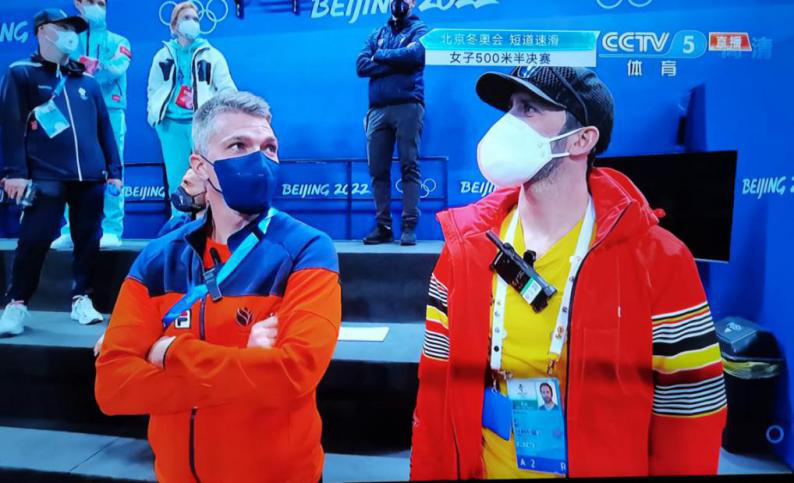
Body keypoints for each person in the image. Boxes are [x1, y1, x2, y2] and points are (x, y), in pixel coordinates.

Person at [410, 66, 727, 479]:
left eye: (529, 109)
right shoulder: (463, 249)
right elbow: (435, 392)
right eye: (510, 108)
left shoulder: (659, 260)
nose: (508, 124)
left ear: (582, 139)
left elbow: (690, 406)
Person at [95, 91, 341, 482]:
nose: (259, 159)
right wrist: (243, 362)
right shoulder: (159, 258)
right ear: (200, 166)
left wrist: (169, 350)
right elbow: (114, 387)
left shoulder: (307, 249)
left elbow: (293, 373)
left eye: (269, 147)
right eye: (238, 145)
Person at [0, 8, 122, 335]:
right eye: (63, 27)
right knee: (34, 239)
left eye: (73, 29)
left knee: (88, 240)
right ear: (43, 31)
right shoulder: (21, 73)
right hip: (45, 175)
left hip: (90, 178)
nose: (70, 34)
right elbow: (11, 125)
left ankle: (82, 298)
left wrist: (114, 169)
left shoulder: (88, 81)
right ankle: (16, 304)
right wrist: (14, 172)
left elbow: (104, 128)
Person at [93, 167, 207, 356]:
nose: (181, 192)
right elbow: (144, 284)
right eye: (182, 184)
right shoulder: (174, 228)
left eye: (188, 186)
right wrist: (115, 331)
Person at [51, 0, 132, 250]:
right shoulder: (70, 41)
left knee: (112, 167)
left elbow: (116, 70)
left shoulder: (119, 41)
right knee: (73, 166)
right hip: (76, 110)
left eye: (101, 3)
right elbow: (60, 71)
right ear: (78, 4)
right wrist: (82, 67)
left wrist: (92, 67)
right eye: (91, 2)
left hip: (111, 110)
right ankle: (70, 228)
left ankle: (111, 228)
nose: (98, 7)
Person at [147, 0, 236, 217]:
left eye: (195, 19)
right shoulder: (163, 55)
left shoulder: (212, 54)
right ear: (174, 25)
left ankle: (212, 226)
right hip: (171, 125)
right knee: (178, 181)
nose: (192, 22)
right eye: (186, 18)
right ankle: (180, 228)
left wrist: (218, 120)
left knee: (210, 177)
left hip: (202, 126)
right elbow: (153, 89)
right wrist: (156, 117)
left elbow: (227, 90)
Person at [356, 0, 427, 246]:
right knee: (377, 170)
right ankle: (383, 226)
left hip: (408, 105)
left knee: (409, 165)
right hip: (377, 109)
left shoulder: (420, 30)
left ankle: (409, 226)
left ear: (413, 2)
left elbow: (414, 56)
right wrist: (398, 63)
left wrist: (380, 56)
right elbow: (361, 65)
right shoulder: (377, 33)